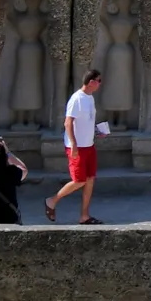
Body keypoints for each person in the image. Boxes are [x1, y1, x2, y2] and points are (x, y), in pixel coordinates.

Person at [46, 69, 105, 224]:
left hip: (89, 145)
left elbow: (87, 121)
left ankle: (84, 215)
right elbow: (68, 122)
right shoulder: (76, 99)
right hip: (77, 147)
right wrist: (73, 144)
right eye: (99, 81)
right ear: (91, 82)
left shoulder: (90, 98)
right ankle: (52, 200)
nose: (100, 84)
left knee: (90, 179)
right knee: (79, 180)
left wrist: (97, 131)